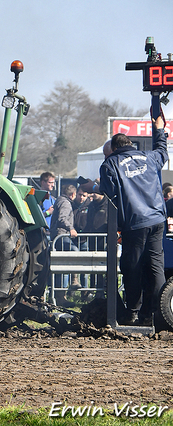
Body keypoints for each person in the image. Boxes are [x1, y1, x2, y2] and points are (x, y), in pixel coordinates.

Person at [96, 113, 168, 326]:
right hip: (157, 219)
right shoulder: (150, 157)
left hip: (135, 223)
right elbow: (163, 151)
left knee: (131, 267)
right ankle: (157, 313)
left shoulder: (110, 164)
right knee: (156, 267)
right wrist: (159, 130)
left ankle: (133, 312)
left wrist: (94, 186)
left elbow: (109, 194)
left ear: (114, 150)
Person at [49, 184, 78, 308]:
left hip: (57, 236)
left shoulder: (59, 201)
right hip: (62, 236)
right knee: (74, 254)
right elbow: (62, 219)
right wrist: (71, 228)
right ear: (72, 194)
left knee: (61, 266)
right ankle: (73, 281)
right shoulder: (66, 203)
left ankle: (60, 295)